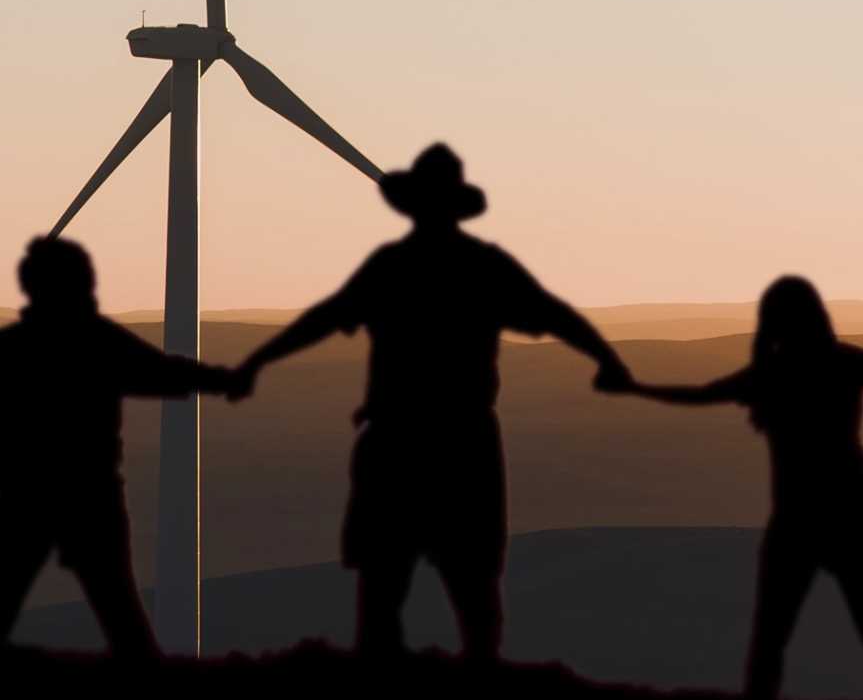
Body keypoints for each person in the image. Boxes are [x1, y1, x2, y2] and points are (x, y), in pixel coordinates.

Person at [229, 144, 633, 661]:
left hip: (397, 444)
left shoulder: (391, 267)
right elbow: (555, 315)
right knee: (474, 590)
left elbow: (325, 318)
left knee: (384, 587)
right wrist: (608, 361)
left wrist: (256, 363)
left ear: (413, 204)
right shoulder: (484, 267)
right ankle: (477, 684)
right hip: (463, 445)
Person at [625, 275, 863, 700]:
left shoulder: (771, 375)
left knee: (772, 637)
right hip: (850, 513)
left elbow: (700, 395)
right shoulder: (845, 364)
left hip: (797, 519)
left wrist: (634, 388)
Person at [0, 238, 237, 659]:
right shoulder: (95, 340)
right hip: (89, 496)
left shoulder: (14, 346)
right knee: (121, 613)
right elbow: (160, 372)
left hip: (26, 494)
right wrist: (223, 380)